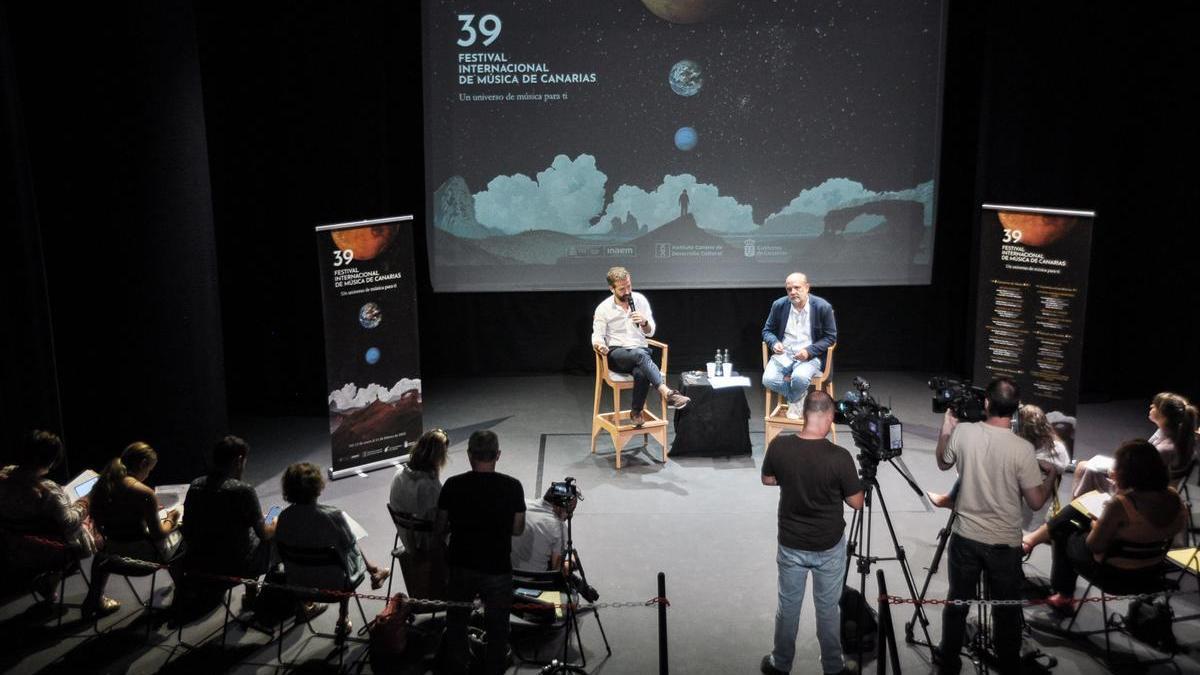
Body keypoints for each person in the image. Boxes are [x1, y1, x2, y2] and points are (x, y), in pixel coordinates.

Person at [934, 377, 1056, 674]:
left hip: (966, 538)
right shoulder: (1023, 449)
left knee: (958, 602)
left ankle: (948, 660)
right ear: (1015, 410)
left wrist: (947, 427)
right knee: (1007, 610)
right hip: (1005, 545)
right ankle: (1008, 665)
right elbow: (1037, 501)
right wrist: (1050, 476)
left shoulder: (963, 433)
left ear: (986, 403)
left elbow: (942, 462)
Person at [760, 391, 863, 675]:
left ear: (804, 414)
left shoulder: (780, 447)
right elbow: (857, 503)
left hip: (791, 544)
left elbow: (768, 479)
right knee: (828, 610)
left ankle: (780, 664)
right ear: (829, 417)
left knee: (788, 607)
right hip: (828, 546)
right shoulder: (840, 457)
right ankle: (833, 666)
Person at [1043, 439, 1186, 612]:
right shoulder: (1175, 498)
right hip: (1152, 572)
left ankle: (1063, 595)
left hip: (1115, 576)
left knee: (1066, 530)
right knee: (1071, 517)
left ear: (1128, 473)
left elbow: (1094, 545)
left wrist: (1094, 525)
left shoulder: (1121, 505)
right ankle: (1034, 541)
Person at [436, 430, 526, 675]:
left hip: (461, 564)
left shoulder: (453, 485)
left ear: (469, 455)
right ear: (498, 455)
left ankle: (459, 666)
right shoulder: (513, 487)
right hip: (497, 568)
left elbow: (440, 527)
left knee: (457, 621)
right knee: (498, 627)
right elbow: (518, 529)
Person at [0, 430, 116, 614]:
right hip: (52, 548)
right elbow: (70, 522)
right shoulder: (48, 491)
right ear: (51, 459)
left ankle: (49, 582)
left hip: (16, 544)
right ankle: (97, 598)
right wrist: (86, 500)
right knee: (104, 534)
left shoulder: (4, 477)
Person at [274, 462, 390, 637]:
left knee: (338, 545)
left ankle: (374, 570)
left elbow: (279, 554)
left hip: (297, 583)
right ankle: (343, 618)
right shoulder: (333, 516)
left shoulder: (283, 518)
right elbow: (350, 547)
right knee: (346, 545)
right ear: (318, 487)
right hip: (335, 586)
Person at [927, 403, 1071, 530]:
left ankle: (956, 502)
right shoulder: (1040, 443)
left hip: (1022, 509)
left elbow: (1031, 494)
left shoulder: (1052, 453)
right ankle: (953, 499)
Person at [85, 441, 185, 614]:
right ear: (143, 464)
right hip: (143, 560)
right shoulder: (144, 493)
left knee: (100, 557)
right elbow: (158, 534)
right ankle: (183, 595)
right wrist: (171, 519)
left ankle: (94, 599)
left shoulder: (105, 485)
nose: (148, 474)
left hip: (111, 554)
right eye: (150, 469)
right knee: (184, 539)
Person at [591, 266, 689, 427]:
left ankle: (636, 412)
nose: (627, 291)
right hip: (617, 354)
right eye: (622, 289)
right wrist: (600, 345)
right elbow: (597, 335)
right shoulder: (604, 308)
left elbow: (650, 332)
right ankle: (667, 392)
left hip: (640, 353)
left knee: (641, 370)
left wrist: (644, 322)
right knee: (640, 356)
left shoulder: (640, 300)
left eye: (629, 286)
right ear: (612, 289)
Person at [180, 436, 274, 598]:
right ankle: (255, 596)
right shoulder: (243, 491)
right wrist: (274, 517)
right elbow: (264, 533)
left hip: (200, 562)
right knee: (275, 530)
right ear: (239, 460)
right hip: (236, 566)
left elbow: (187, 528)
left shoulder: (195, 485)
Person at [1071, 392, 1197, 499]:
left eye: (1155, 406)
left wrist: (1115, 473)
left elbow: (1141, 480)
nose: (1151, 406)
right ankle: (1075, 511)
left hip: (1139, 493)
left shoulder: (1164, 449)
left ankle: (1077, 512)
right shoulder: (1171, 433)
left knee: (1087, 469)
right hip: (1142, 478)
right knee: (1082, 466)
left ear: (1163, 416)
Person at [761, 272, 837, 420]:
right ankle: (797, 396)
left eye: (797, 287)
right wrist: (774, 342)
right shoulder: (779, 305)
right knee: (768, 380)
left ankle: (796, 395)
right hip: (784, 355)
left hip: (810, 356)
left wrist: (809, 351)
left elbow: (830, 337)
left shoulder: (822, 307)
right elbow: (767, 331)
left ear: (807, 287)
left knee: (800, 378)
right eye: (789, 289)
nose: (793, 292)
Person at [388, 428, 450, 599]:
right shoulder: (430, 487)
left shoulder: (399, 474)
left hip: (407, 536)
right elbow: (440, 525)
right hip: (425, 544)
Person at [510, 486, 573, 573]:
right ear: (559, 507)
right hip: (533, 581)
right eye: (569, 511)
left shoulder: (522, 503)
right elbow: (557, 570)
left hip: (505, 576)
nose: (569, 515)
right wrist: (571, 563)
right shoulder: (559, 527)